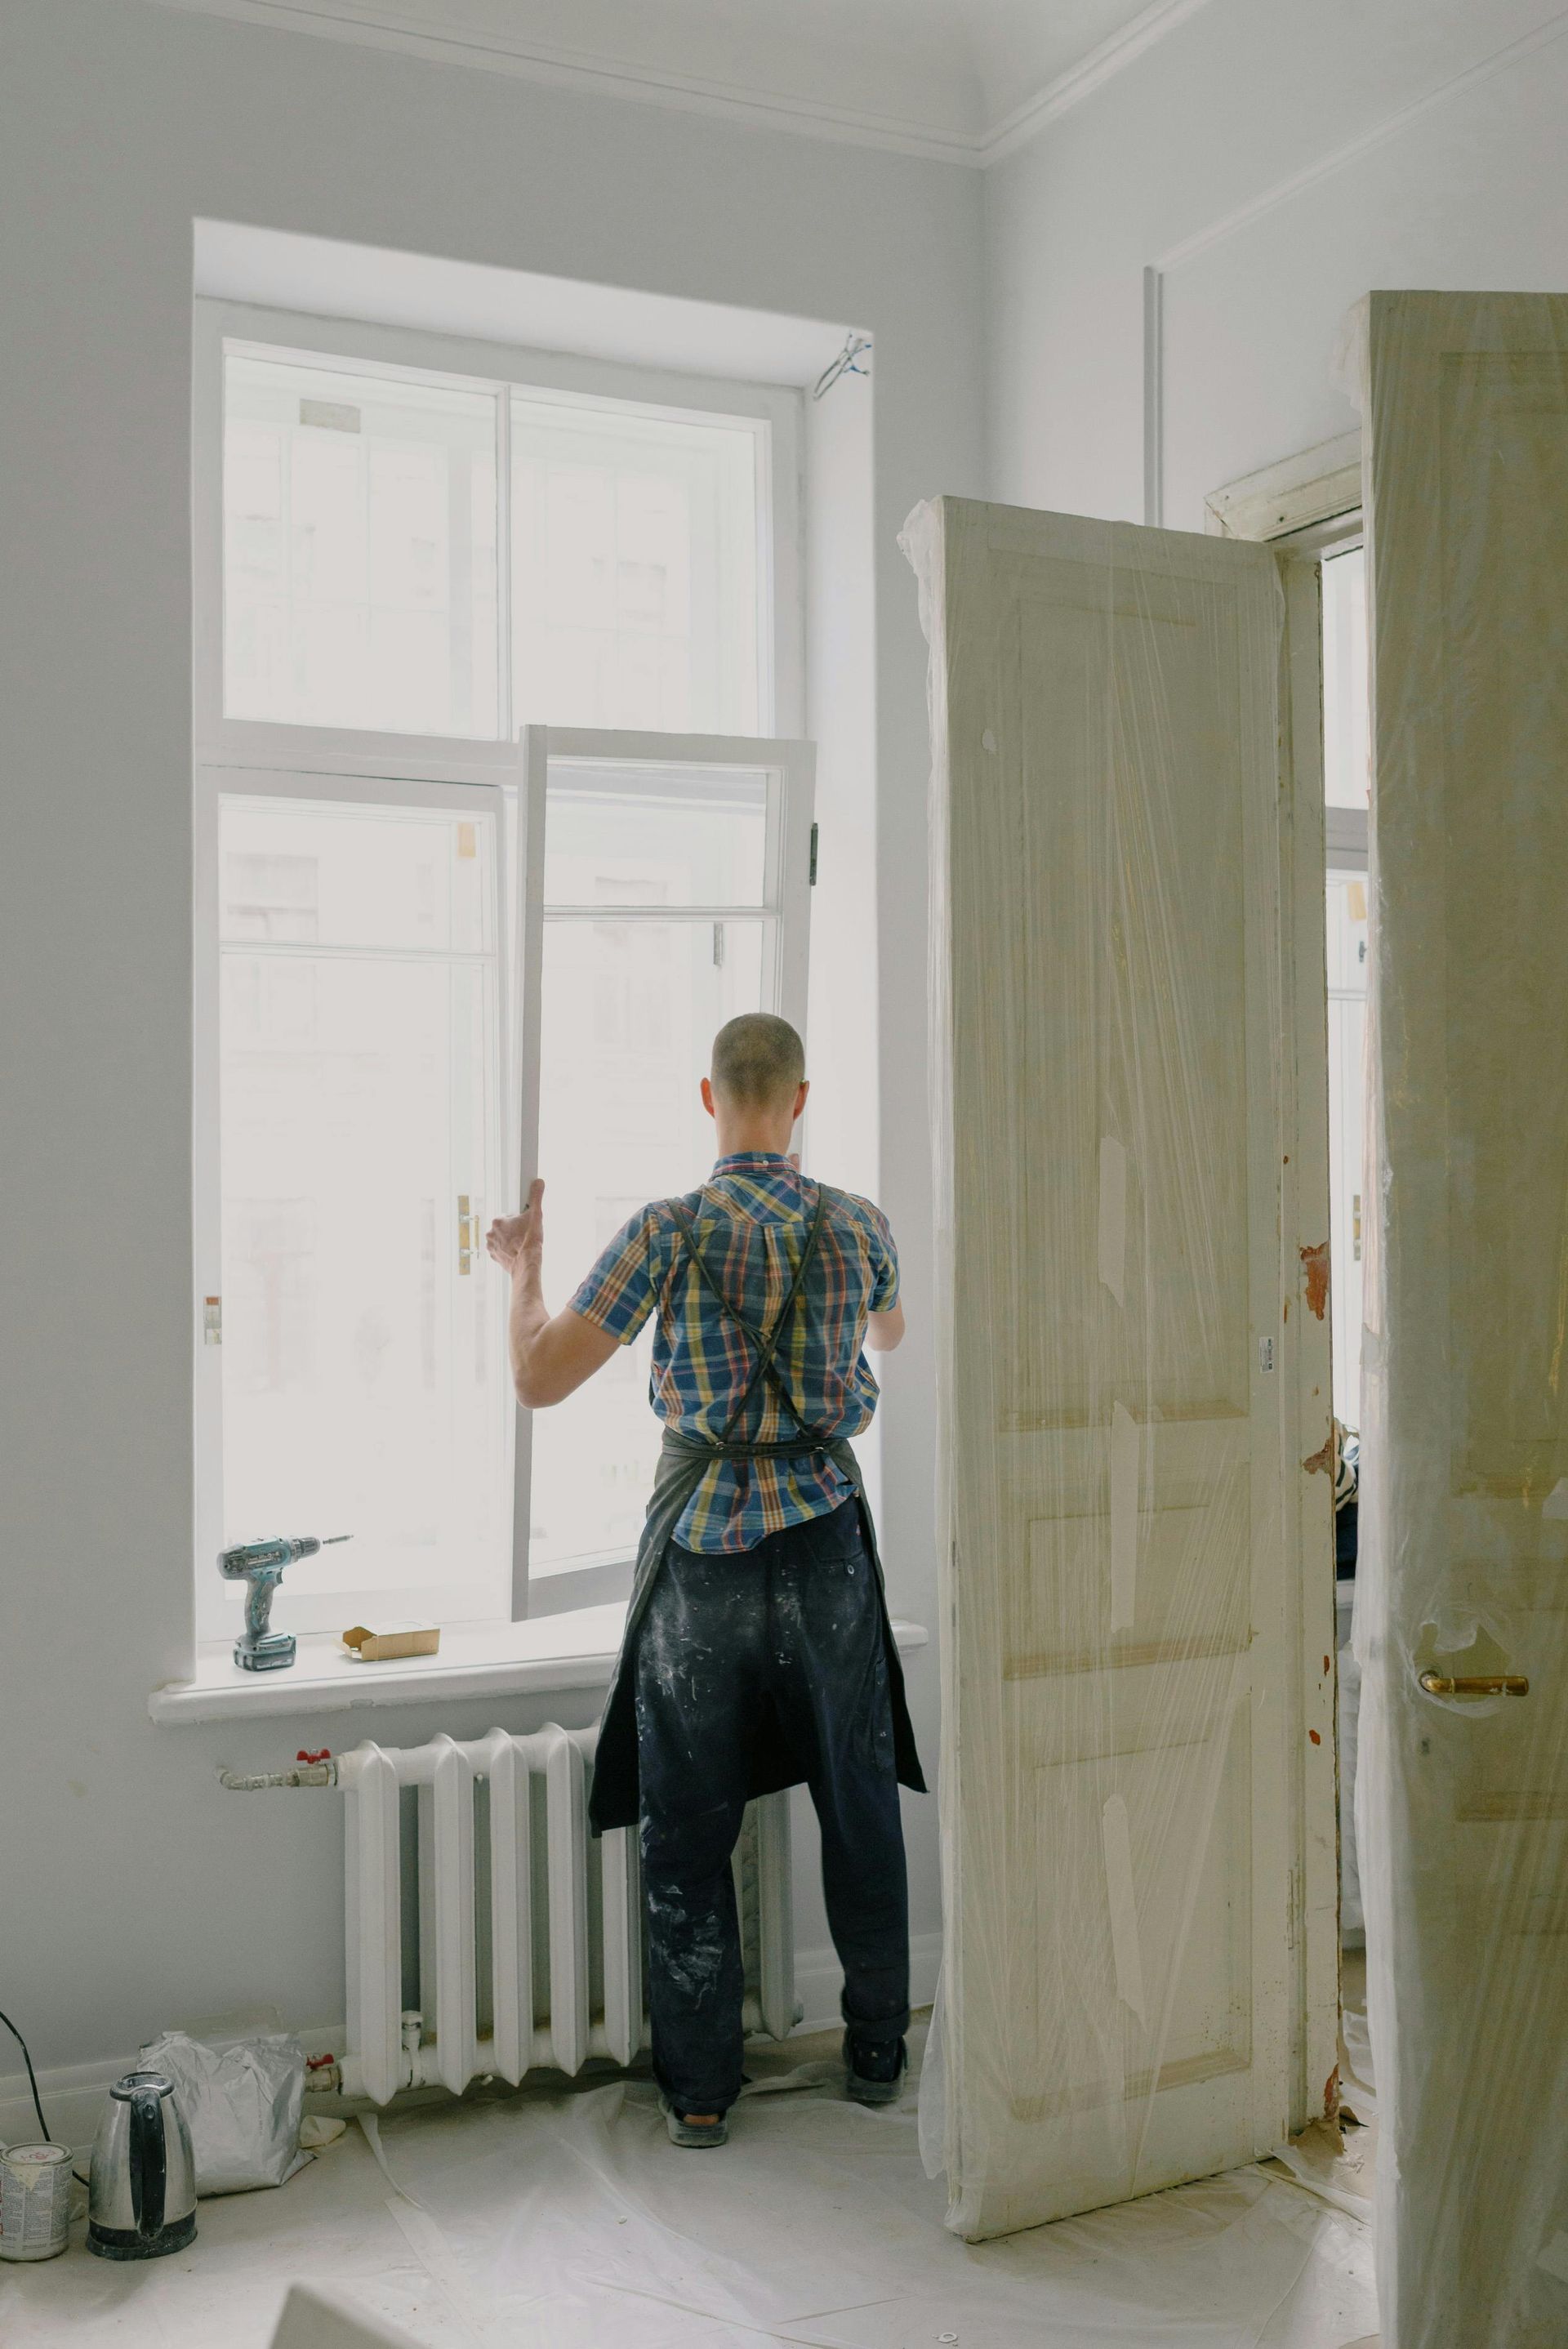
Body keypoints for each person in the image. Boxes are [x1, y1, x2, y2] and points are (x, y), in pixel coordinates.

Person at [486, 1012, 924, 2149]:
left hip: (707, 1557)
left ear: (708, 1096)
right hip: (825, 1538)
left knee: (689, 1824)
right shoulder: (856, 1223)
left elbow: (537, 1378)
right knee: (858, 1795)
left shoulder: (665, 1233)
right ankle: (877, 2047)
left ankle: (698, 2093)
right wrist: (859, 1317)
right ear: (802, 1097)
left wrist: (522, 1274)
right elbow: (893, 1332)